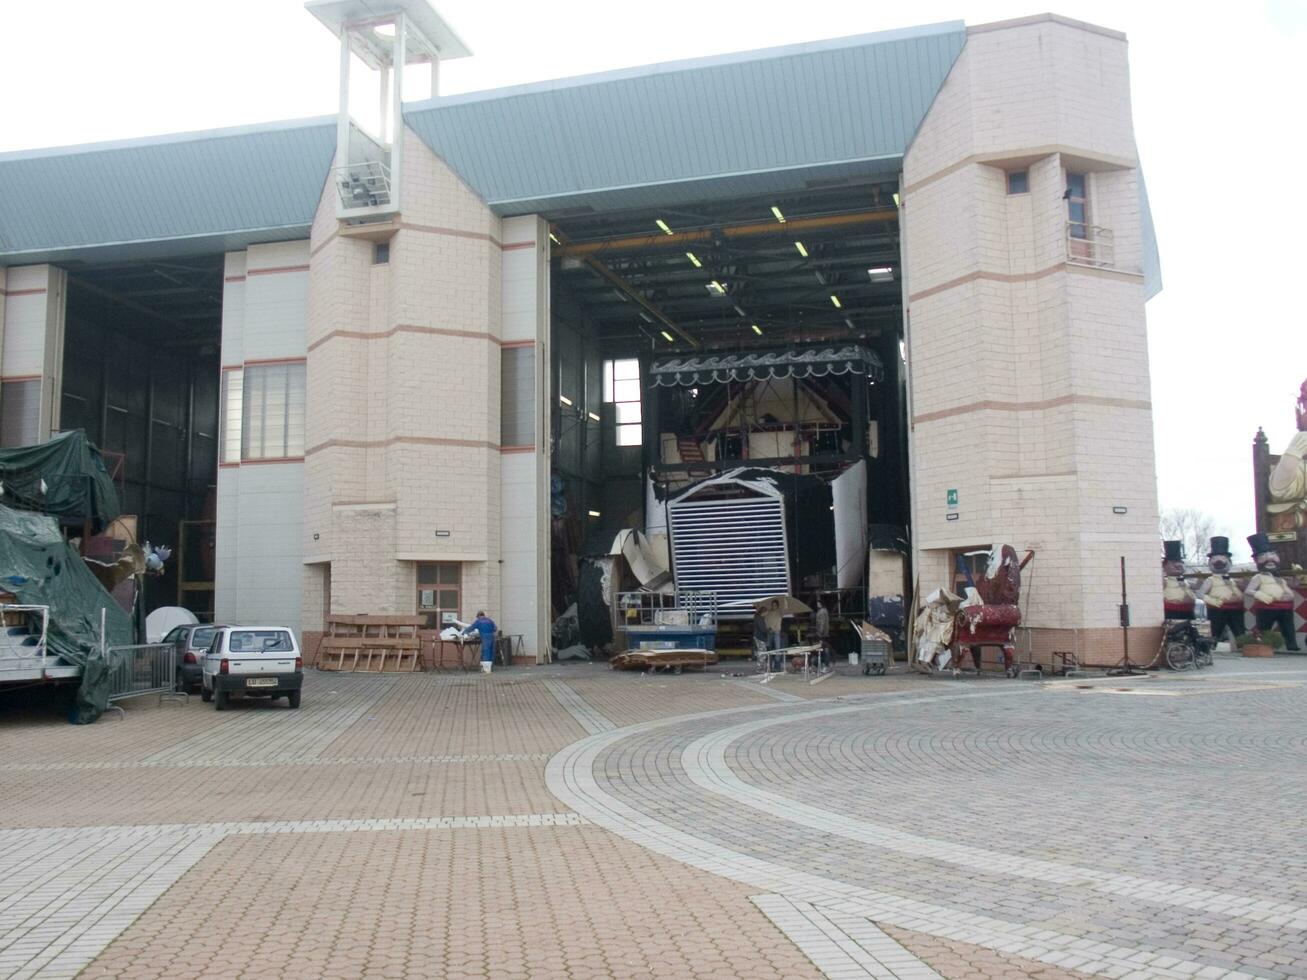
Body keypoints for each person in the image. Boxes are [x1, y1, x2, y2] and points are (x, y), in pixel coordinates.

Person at [1245, 534, 1301, 651]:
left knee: (1288, 628)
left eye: (1272, 554)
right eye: (1263, 555)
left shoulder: (1280, 578)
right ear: (1256, 560)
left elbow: (1294, 585)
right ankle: (1263, 646)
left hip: (1286, 608)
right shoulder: (1258, 577)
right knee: (1264, 628)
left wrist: (1296, 576)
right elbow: (1248, 590)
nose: (1269, 558)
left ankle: (1292, 644)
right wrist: (1260, 595)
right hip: (1267, 607)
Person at [1198, 537, 1245, 642]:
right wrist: (1212, 601)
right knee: (1214, 630)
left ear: (1230, 562)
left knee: (1239, 631)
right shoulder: (1210, 580)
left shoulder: (1232, 580)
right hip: (1217, 609)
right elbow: (1200, 594)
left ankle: (1243, 646)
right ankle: (1210, 647)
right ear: (1210, 562)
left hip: (1236, 609)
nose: (1219, 561)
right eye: (1214, 558)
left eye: (1223, 558)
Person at [763, 599, 785, 671]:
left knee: (777, 650)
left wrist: (785, 601)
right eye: (773, 605)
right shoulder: (768, 612)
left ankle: (777, 667)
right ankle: (769, 667)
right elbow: (764, 619)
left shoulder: (779, 612)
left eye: (775, 605)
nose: (774, 606)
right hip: (769, 632)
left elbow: (785, 610)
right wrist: (768, 628)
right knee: (769, 649)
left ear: (777, 606)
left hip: (776, 632)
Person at [814, 599, 831, 672]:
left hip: (822, 634)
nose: (817, 605)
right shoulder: (823, 611)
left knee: (823, 650)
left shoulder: (822, 612)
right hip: (823, 633)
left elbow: (822, 623)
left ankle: (825, 665)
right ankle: (824, 665)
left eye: (818, 603)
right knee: (823, 650)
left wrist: (820, 632)